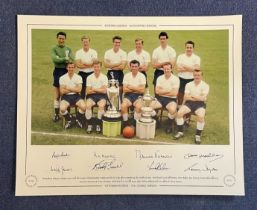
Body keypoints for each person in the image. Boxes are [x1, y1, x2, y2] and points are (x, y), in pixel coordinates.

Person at [174, 69, 209, 144]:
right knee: (179, 113)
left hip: (200, 104)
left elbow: (203, 99)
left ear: (201, 76)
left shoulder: (205, 85)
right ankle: (180, 132)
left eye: (198, 75)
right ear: (193, 75)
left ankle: (198, 135)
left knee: (201, 116)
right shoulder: (189, 84)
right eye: (195, 75)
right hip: (189, 103)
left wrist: (192, 96)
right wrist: (198, 97)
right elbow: (186, 97)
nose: (197, 77)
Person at [150, 63, 180, 133]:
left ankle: (169, 125)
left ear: (171, 69)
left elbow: (174, 93)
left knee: (172, 110)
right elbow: (157, 91)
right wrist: (169, 90)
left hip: (171, 99)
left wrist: (162, 91)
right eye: (165, 69)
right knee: (149, 107)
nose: (166, 70)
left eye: (168, 69)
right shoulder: (160, 78)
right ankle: (156, 120)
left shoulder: (175, 79)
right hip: (160, 98)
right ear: (163, 69)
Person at [51, 31, 74, 122]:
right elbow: (55, 59)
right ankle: (56, 114)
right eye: (60, 38)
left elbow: (72, 59)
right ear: (57, 39)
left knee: (65, 93)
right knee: (57, 95)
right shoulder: (54, 48)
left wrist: (61, 59)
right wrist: (64, 59)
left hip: (66, 71)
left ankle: (66, 114)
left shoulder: (68, 48)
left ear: (65, 39)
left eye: (63, 39)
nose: (61, 40)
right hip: (57, 71)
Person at [59, 61, 86, 129]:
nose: (71, 69)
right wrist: (74, 88)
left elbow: (79, 90)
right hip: (66, 97)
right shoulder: (62, 78)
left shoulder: (78, 77)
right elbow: (62, 91)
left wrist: (67, 88)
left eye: (72, 67)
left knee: (84, 107)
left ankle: (77, 118)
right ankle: (70, 119)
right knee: (62, 109)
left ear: (75, 68)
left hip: (76, 96)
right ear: (67, 68)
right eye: (69, 67)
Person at [85, 60, 108, 134]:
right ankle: (89, 124)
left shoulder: (104, 77)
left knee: (101, 106)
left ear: (100, 67)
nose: (96, 68)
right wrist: (99, 89)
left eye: (98, 67)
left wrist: (94, 89)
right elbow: (88, 91)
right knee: (88, 105)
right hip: (91, 96)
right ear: (93, 67)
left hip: (102, 96)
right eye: (95, 67)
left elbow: (104, 91)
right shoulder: (89, 77)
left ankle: (98, 124)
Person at [121, 60, 146, 127]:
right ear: (130, 67)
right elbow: (124, 89)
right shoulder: (126, 75)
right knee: (123, 106)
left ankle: (135, 124)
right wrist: (137, 88)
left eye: (136, 66)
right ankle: (125, 123)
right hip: (128, 96)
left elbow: (142, 91)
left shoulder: (142, 76)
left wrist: (131, 87)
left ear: (138, 67)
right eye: (132, 66)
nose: (134, 68)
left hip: (138, 96)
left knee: (138, 107)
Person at [176, 40, 201, 106]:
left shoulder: (196, 58)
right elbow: (178, 69)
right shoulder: (180, 56)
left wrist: (184, 66)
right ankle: (179, 108)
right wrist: (191, 68)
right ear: (185, 48)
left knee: (190, 96)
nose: (189, 49)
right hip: (181, 79)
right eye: (187, 47)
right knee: (180, 95)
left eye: (190, 47)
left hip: (191, 79)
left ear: (193, 48)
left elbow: (197, 69)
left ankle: (187, 112)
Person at [75, 35, 98, 99]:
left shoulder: (93, 52)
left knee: (91, 89)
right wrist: (89, 64)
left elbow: (94, 64)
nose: (85, 43)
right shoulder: (78, 52)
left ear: (89, 42)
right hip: (82, 73)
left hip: (91, 73)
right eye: (84, 42)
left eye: (87, 42)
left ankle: (89, 105)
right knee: (82, 90)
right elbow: (78, 65)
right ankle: (82, 105)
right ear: (82, 42)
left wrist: (84, 63)